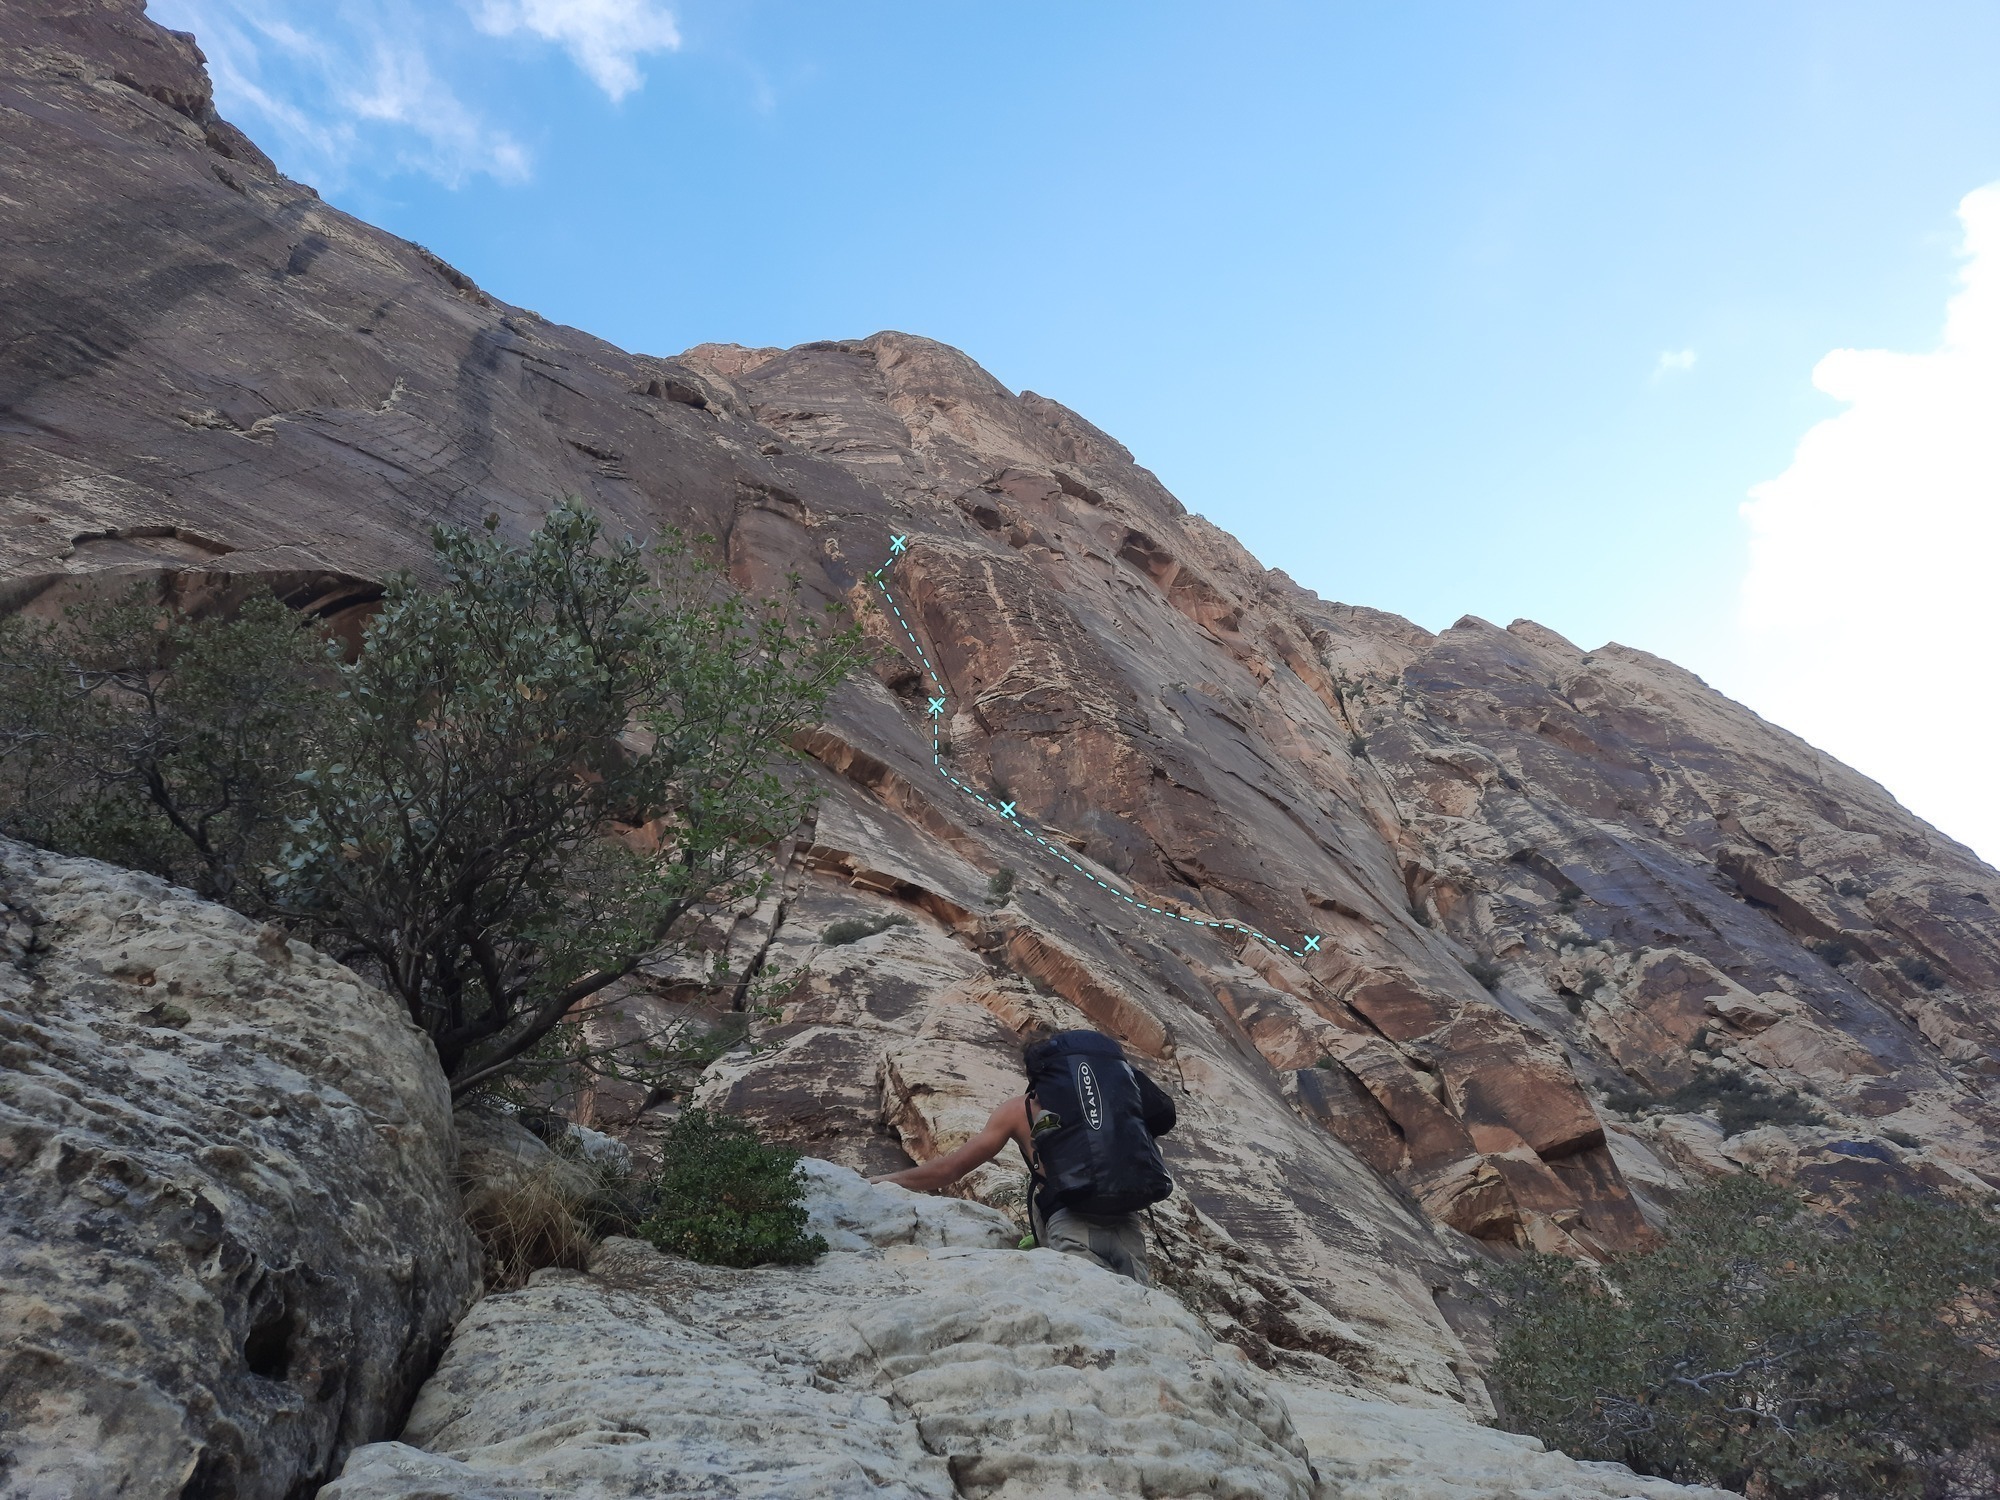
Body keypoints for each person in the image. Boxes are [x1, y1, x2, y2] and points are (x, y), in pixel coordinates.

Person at [873, 1029, 1177, 1285]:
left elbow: (950, 1170)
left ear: (1033, 1071)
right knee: (1137, 1310)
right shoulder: (1117, 1098)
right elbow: (1162, 1117)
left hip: (1070, 1222)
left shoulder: (1018, 1111)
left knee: (1089, 1320)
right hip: (1127, 1223)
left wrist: (885, 1180)